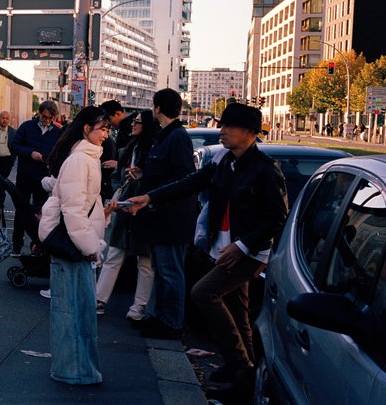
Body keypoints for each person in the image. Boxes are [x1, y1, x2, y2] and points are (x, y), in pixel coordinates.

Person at [125, 104, 289, 396]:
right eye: (222, 125)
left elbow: (277, 218)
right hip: (223, 248)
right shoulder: (226, 161)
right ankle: (245, 376)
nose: (222, 131)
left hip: (247, 253)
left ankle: (241, 367)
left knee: (203, 293)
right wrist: (149, 197)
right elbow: (190, 183)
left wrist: (243, 245)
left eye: (229, 127)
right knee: (238, 313)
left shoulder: (265, 169)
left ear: (250, 133)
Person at [37, 106, 112, 385]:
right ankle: (74, 370)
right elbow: (73, 209)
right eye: (102, 128)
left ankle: (78, 368)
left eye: (108, 128)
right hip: (73, 244)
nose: (106, 134)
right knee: (73, 311)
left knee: (77, 310)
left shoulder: (85, 157)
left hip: (76, 243)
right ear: (86, 129)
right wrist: (90, 245)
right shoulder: (81, 160)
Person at [128, 89, 197, 340]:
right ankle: (159, 317)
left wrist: (154, 194)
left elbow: (182, 177)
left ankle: (171, 323)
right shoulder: (167, 136)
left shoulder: (176, 137)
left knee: (170, 272)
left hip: (171, 218)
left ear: (157, 108)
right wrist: (144, 175)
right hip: (161, 216)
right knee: (162, 270)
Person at [95, 110, 159, 322]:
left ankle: (139, 306)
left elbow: (157, 182)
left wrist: (141, 179)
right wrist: (121, 185)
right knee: (114, 254)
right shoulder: (128, 149)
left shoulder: (153, 150)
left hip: (143, 209)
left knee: (145, 261)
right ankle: (99, 300)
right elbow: (116, 176)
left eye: (138, 122)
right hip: (122, 206)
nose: (133, 125)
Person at [9, 100, 63, 255]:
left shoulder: (57, 132)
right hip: (25, 174)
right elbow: (14, 145)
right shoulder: (27, 126)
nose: (47, 121)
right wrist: (30, 152)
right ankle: (17, 244)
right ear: (39, 114)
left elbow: (59, 153)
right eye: (44, 117)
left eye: (50, 119)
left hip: (44, 177)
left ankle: (36, 245)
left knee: (42, 213)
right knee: (21, 209)